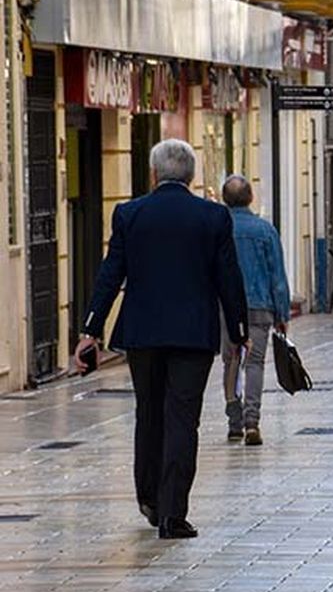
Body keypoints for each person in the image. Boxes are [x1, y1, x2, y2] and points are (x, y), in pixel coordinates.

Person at [74, 139, 248, 540]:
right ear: (191, 175)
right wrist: (238, 331)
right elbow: (228, 277)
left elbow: (110, 274)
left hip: (143, 333)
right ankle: (173, 515)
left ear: (154, 174)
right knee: (182, 421)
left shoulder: (130, 214)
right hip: (192, 335)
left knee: (148, 414)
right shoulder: (214, 217)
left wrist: (90, 329)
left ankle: (149, 497)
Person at [219, 176, 291, 447]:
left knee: (231, 362)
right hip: (260, 307)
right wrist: (282, 313)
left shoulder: (219, 229)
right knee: (255, 364)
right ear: (250, 198)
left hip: (227, 308)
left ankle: (233, 422)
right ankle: (252, 422)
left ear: (225, 200)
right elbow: (277, 277)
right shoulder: (265, 230)